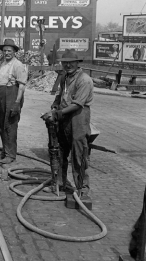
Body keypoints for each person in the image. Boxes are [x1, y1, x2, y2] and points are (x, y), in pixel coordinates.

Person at [41, 49, 94, 197]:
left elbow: (77, 104)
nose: (68, 65)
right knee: (60, 152)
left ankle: (82, 189)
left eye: (71, 62)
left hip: (78, 118)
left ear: (77, 63)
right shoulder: (64, 78)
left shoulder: (84, 80)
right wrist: (54, 106)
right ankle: (59, 184)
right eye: (65, 63)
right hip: (64, 117)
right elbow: (60, 96)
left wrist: (57, 113)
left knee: (78, 155)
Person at [0, 39, 28, 164]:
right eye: (4, 50)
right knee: (1, 125)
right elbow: (0, 83)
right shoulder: (3, 64)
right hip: (2, 96)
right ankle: (4, 150)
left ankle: (10, 154)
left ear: (14, 52)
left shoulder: (18, 65)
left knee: (10, 126)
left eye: (9, 50)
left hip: (12, 95)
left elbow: (22, 86)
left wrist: (17, 103)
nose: (6, 53)